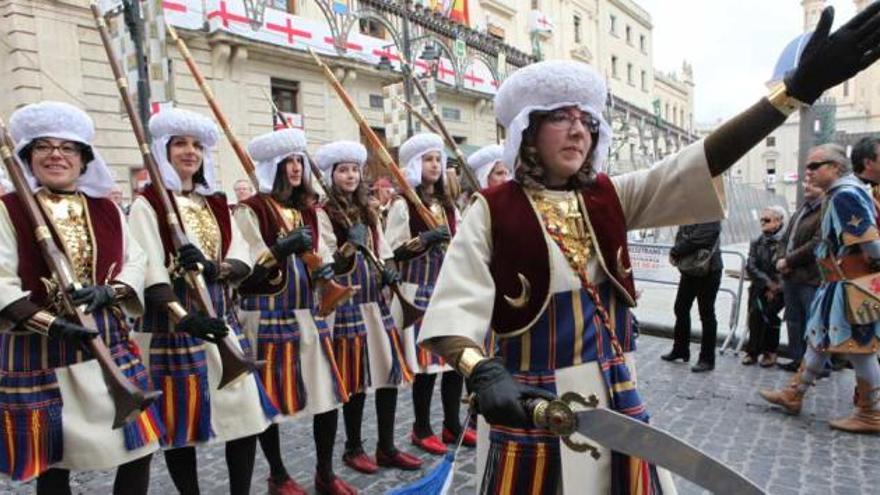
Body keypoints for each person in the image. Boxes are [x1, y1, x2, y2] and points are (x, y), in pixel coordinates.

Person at [416, 3, 880, 490]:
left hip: (614, 393)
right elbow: (451, 311)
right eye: (560, 118)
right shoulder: (491, 209)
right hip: (532, 399)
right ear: (527, 129)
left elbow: (697, 162)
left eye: (586, 119)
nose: (579, 129)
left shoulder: (609, 196)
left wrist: (790, 96)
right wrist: (481, 370)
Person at [0, 101, 162, 493]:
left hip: (108, 342)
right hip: (41, 349)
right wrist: (52, 324)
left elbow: (135, 261)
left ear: (84, 159)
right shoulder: (8, 210)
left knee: (140, 445)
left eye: (67, 147)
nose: (56, 154)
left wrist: (112, 290)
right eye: (43, 146)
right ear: (28, 157)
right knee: (55, 462)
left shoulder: (107, 210)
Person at [128, 107, 276, 495]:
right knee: (183, 427)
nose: (189, 152)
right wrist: (183, 317)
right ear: (164, 149)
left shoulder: (215, 203)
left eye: (196, 145)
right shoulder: (148, 204)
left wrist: (215, 269)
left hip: (220, 319)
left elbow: (241, 254)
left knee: (245, 418)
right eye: (180, 144)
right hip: (175, 328)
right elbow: (146, 269)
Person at [235, 128, 356, 494]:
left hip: (308, 313)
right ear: (273, 166)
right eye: (286, 161)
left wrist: (343, 257)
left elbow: (330, 255)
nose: (293, 168)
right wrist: (281, 248)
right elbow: (246, 269)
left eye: (297, 161)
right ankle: (278, 474)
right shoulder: (251, 209)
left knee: (327, 396)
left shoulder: (311, 211)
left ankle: (325, 472)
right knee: (267, 401)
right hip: (266, 313)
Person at [314, 140, 423, 474]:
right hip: (348, 302)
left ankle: (387, 446)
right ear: (331, 175)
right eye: (343, 169)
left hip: (376, 301)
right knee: (356, 379)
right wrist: (349, 247)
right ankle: (353, 447)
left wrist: (389, 268)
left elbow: (383, 247)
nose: (349, 175)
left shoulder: (368, 208)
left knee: (388, 373)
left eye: (354, 170)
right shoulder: (323, 213)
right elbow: (325, 259)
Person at [760, 143, 880, 433]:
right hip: (838, 284)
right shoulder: (842, 193)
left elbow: (871, 245)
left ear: (836, 168)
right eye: (808, 166)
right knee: (819, 340)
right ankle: (794, 393)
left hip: (851, 286)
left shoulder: (846, 195)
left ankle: (871, 413)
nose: (808, 172)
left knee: (860, 349)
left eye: (815, 166)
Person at [384, 133, 475, 455]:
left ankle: (451, 424)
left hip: (447, 290)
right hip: (417, 291)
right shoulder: (402, 203)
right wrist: (423, 240)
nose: (435, 165)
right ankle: (421, 428)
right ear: (414, 164)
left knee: (453, 363)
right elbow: (391, 250)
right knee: (425, 367)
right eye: (428, 159)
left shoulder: (448, 204)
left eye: (438, 159)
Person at [662, 221, 723, 372]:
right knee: (680, 308)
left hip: (708, 269)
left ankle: (707, 359)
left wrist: (675, 251)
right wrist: (676, 251)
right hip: (690, 269)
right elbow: (682, 234)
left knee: (706, 313)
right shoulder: (692, 210)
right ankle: (680, 349)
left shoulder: (711, 211)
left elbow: (698, 239)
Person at [776, 180, 823, 371]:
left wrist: (789, 261)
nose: (806, 185)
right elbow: (785, 239)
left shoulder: (824, 211)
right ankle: (797, 360)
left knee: (813, 323)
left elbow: (816, 244)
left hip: (810, 278)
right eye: (805, 183)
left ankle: (817, 365)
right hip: (790, 277)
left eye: (812, 183)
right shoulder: (801, 211)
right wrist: (780, 259)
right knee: (794, 321)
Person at [742, 206, 786, 367]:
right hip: (760, 286)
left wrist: (776, 287)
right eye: (761, 219)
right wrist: (768, 284)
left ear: (778, 221)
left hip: (779, 289)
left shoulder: (786, 241)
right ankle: (752, 351)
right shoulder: (757, 241)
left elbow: (786, 266)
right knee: (754, 316)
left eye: (766, 220)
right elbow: (751, 266)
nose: (762, 223)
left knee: (770, 316)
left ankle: (770, 352)